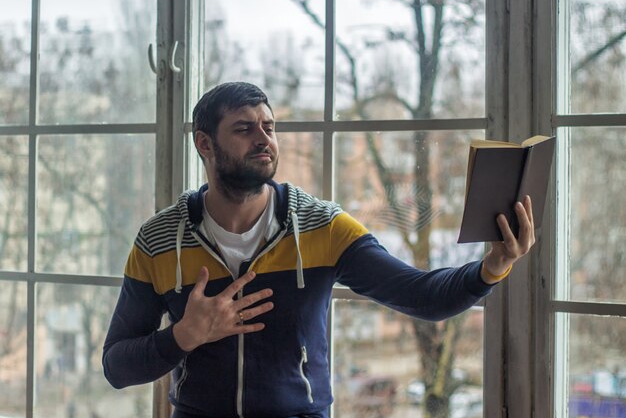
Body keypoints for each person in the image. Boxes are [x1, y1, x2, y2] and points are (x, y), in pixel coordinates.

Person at [102, 81, 536, 418]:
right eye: (244, 128)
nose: (264, 139)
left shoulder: (322, 226)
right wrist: (185, 335)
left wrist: (492, 266)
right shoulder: (158, 241)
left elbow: (422, 296)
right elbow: (117, 366)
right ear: (204, 144)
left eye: (269, 127)